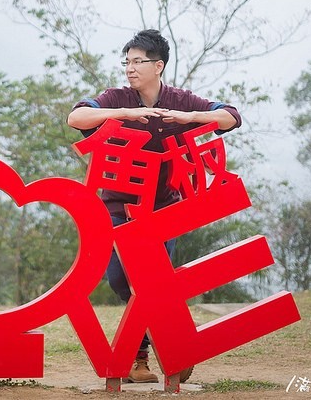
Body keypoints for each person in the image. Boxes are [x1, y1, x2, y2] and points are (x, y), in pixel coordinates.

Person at [67, 29, 241, 384]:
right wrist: (125, 110)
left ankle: (143, 357)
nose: (130, 68)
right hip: (118, 207)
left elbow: (231, 116)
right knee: (119, 278)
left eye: (137, 62)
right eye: (126, 62)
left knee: (153, 284)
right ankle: (167, 343)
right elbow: (76, 118)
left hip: (164, 210)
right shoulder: (115, 96)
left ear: (158, 65)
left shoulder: (180, 99)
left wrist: (192, 119)